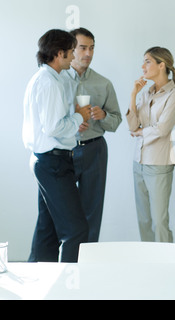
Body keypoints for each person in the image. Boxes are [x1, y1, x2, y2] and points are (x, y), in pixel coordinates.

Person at [23, 29, 91, 262]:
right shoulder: (49, 83)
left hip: (46, 160)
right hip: (54, 162)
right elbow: (53, 128)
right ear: (59, 53)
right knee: (76, 230)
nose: (74, 57)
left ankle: (41, 280)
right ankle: (70, 286)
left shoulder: (44, 78)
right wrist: (80, 116)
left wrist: (74, 119)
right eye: (72, 52)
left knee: (48, 228)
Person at [61, 28, 122, 242]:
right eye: (83, 48)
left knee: (92, 213)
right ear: (71, 49)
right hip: (63, 151)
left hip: (94, 150)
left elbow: (116, 121)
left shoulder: (103, 83)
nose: (88, 53)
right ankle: (59, 265)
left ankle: (87, 264)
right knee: (59, 212)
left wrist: (103, 115)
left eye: (92, 48)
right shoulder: (56, 80)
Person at [127, 47, 175, 242]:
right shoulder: (146, 93)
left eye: (147, 61)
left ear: (161, 65)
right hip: (138, 162)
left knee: (159, 221)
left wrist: (141, 132)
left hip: (159, 163)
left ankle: (167, 265)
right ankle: (149, 263)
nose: (143, 66)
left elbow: (162, 129)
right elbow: (133, 126)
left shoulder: (173, 95)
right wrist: (134, 95)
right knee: (144, 220)